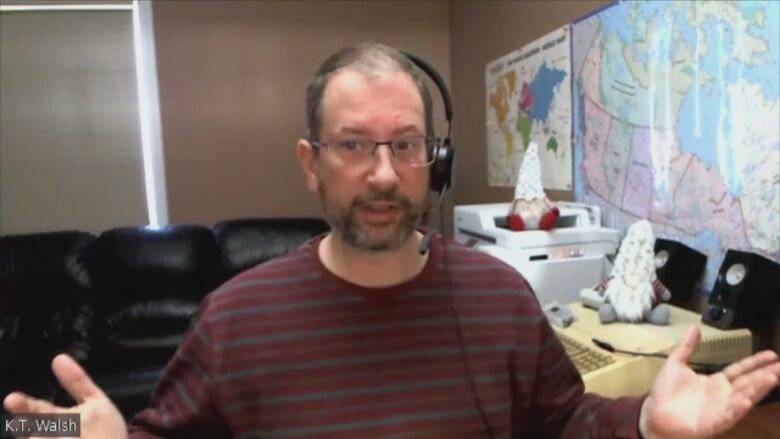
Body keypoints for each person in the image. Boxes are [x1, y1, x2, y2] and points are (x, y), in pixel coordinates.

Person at [4, 42, 779, 439]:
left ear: (434, 161)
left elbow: (564, 423)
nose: (383, 174)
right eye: (353, 145)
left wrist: (646, 420)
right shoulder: (235, 318)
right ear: (311, 164)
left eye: (406, 145)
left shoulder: (500, 297)